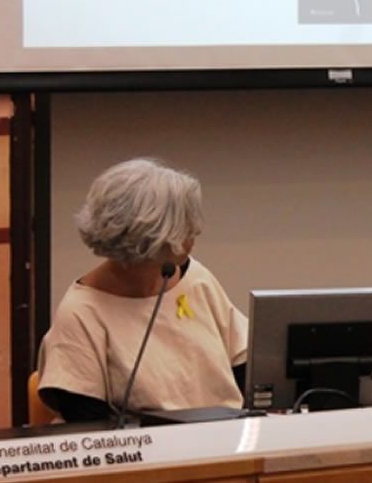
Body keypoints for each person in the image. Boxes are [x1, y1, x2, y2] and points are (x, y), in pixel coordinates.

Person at [38, 158, 247, 421]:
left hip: (227, 434)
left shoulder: (195, 278)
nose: (195, 233)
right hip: (148, 443)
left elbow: (244, 364)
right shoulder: (81, 312)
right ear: (148, 238)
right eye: (184, 226)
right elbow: (86, 420)